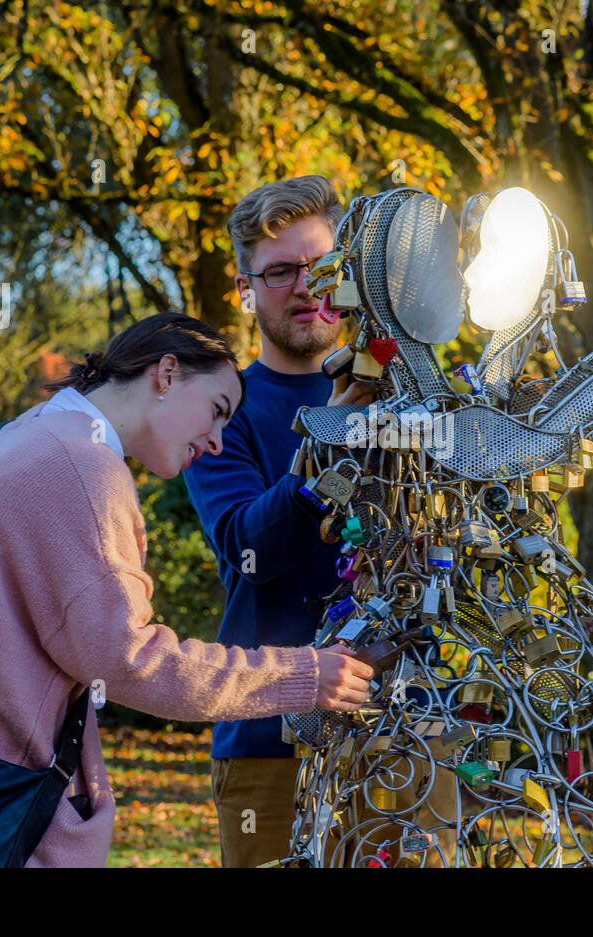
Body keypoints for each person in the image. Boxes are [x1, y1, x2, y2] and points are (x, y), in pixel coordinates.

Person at [0, 312, 373, 867]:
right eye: (217, 411)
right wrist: (305, 675)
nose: (219, 442)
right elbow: (133, 662)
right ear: (166, 372)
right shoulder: (85, 468)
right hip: (11, 812)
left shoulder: (6, 441)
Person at [183, 175, 382, 866]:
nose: (305, 287)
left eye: (321, 268)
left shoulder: (407, 396)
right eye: (280, 272)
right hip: (266, 740)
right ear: (245, 290)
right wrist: (325, 439)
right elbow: (246, 548)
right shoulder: (217, 410)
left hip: (405, 730)